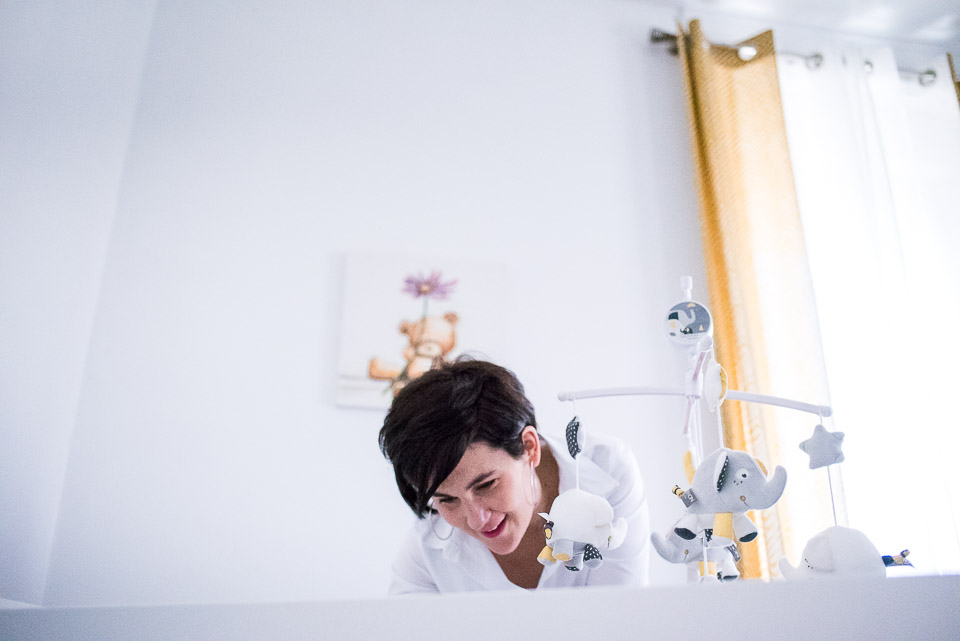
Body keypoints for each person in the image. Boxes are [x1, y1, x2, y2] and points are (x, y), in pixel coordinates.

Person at [378, 358, 650, 594]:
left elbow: (620, 617)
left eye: (486, 485)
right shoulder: (430, 541)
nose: (476, 519)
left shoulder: (607, 470)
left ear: (529, 447)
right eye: (447, 499)